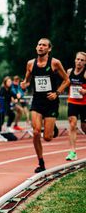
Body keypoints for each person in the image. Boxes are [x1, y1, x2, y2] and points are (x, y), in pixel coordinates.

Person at [20, 38, 70, 172]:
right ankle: (41, 162)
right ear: (36, 47)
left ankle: (52, 126)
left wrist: (57, 93)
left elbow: (66, 80)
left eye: (44, 45)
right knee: (36, 132)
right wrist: (24, 84)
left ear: (49, 49)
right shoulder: (30, 64)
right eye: (39, 45)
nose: (41, 47)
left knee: (47, 137)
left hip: (51, 101)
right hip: (37, 100)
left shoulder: (55, 63)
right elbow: (27, 79)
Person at [65, 51, 86, 160]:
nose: (79, 62)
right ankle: (72, 152)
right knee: (72, 124)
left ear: (85, 63)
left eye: (82, 60)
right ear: (75, 60)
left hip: (84, 104)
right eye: (78, 59)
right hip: (72, 102)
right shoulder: (69, 72)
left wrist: (85, 91)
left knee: (84, 127)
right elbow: (66, 83)